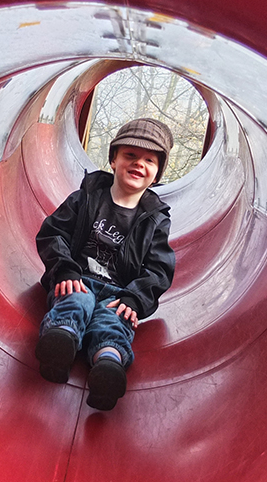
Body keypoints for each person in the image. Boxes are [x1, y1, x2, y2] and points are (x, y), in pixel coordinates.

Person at [35, 117, 176, 410]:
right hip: (77, 279)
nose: (139, 163)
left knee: (113, 324)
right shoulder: (86, 197)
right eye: (130, 155)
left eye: (149, 160)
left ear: (157, 174)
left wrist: (135, 300)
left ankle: (108, 367)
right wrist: (64, 269)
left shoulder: (155, 220)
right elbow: (53, 232)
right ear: (113, 160)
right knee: (76, 302)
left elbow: (159, 269)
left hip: (117, 295)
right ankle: (60, 343)